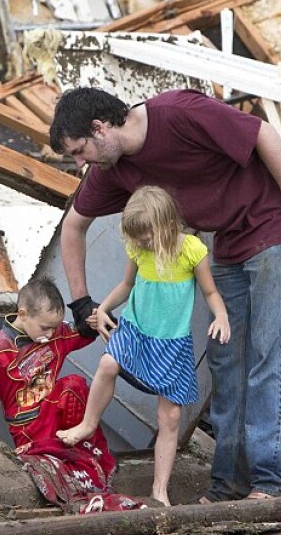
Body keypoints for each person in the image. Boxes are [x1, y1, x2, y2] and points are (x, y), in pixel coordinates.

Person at [49, 87, 281, 502]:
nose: (80, 162)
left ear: (99, 128)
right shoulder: (113, 170)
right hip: (229, 239)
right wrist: (81, 302)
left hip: (276, 224)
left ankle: (271, 482)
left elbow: (263, 134)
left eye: (79, 150)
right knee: (226, 358)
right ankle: (229, 482)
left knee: (272, 351)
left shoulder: (178, 113)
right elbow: (74, 226)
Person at [57, 186, 231, 507]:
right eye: (135, 239)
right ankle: (88, 422)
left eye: (144, 237)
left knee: (171, 416)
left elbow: (210, 293)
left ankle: (159, 489)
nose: (139, 244)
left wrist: (220, 316)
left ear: (166, 225)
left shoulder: (192, 250)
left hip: (172, 344)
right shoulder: (139, 250)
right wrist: (103, 309)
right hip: (137, 330)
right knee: (108, 364)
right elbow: (126, 286)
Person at [0, 278, 144, 514]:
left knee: (74, 384)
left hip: (58, 417)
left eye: (54, 328)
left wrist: (92, 323)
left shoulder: (56, 334)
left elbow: (78, 334)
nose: (50, 334)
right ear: (22, 314)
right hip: (27, 425)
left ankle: (82, 452)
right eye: (44, 328)